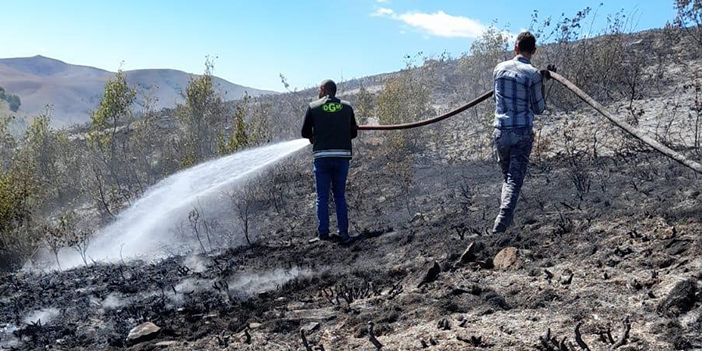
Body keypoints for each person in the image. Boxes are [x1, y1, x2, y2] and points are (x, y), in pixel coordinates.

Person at [491, 31, 555, 233]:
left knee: (508, 178)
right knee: (514, 180)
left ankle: (507, 219)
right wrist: (543, 83)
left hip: (500, 132)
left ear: (515, 47)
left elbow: (496, 99)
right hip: (521, 133)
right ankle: (502, 222)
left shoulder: (499, 69)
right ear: (534, 51)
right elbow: (538, 108)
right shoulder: (533, 74)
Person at [301, 79, 358, 244]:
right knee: (339, 195)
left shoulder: (313, 107)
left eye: (319, 89)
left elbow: (304, 132)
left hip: (322, 158)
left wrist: (314, 136)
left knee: (322, 197)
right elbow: (353, 133)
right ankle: (344, 233)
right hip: (342, 158)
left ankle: (323, 234)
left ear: (323, 89)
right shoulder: (347, 107)